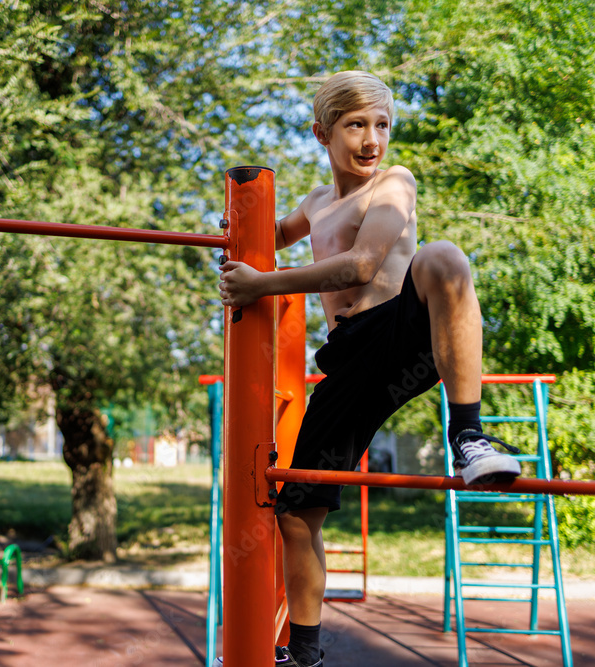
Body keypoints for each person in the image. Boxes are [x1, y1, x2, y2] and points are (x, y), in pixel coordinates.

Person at [215, 71, 521, 667]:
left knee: (443, 257)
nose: (372, 139)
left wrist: (262, 284)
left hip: (400, 335)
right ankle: (303, 653)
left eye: (382, 125)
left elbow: (359, 266)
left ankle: (469, 438)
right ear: (322, 134)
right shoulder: (314, 204)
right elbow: (259, 240)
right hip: (347, 362)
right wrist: (231, 238)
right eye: (356, 125)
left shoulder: (394, 184)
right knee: (297, 514)